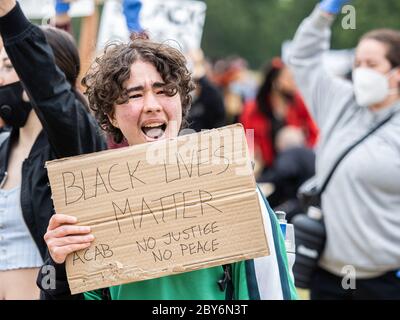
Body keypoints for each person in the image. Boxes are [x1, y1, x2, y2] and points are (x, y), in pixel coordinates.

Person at [36, 25, 297, 302]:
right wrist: (59, 268)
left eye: (164, 91)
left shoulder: (234, 189)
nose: (151, 104)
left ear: (182, 103)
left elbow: (271, 291)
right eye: (134, 95)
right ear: (111, 115)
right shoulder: (91, 206)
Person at [287, 0, 400, 299]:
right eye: (358, 63)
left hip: (385, 279)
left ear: (397, 73)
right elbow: (302, 58)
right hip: (327, 275)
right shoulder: (340, 101)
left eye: (372, 65)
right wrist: (325, 13)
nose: (362, 72)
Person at [0, 0, 106, 299]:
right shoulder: (3, 144)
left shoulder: (72, 143)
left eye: (10, 66)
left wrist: (9, 15)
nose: (1, 77)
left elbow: (50, 91)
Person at [240, 57, 318, 179]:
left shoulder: (298, 103)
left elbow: (314, 132)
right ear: (275, 82)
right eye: (289, 78)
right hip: (266, 169)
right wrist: (253, 160)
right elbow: (248, 138)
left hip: (295, 166)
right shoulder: (253, 109)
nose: (294, 83)